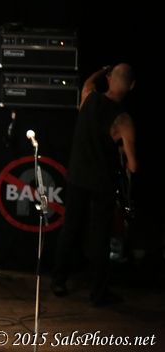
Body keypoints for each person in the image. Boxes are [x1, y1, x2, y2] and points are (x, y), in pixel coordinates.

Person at [52, 63, 137, 306]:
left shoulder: (89, 96)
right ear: (132, 86)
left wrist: (102, 69)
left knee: (70, 228)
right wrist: (121, 151)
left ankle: (58, 280)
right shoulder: (123, 120)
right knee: (100, 237)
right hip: (102, 183)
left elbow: (88, 82)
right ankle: (98, 293)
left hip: (78, 177)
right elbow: (133, 166)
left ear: (109, 79)